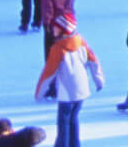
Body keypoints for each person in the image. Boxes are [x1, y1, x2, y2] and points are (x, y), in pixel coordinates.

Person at [36, 12, 106, 147]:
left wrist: (39, 93)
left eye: (55, 27)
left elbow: (48, 73)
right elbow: (94, 62)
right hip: (81, 90)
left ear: (63, 29)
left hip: (67, 93)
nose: (52, 29)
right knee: (73, 119)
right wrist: (99, 80)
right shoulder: (81, 41)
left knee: (63, 123)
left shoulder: (58, 49)